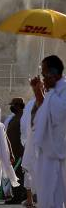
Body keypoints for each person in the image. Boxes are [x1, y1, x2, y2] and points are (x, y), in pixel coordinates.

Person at [30, 55, 66, 207]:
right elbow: (42, 116)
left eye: (44, 74)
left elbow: (59, 116)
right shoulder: (52, 93)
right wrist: (37, 91)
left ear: (54, 74)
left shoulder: (63, 90)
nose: (43, 78)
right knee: (47, 194)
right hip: (48, 153)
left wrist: (44, 93)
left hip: (60, 153)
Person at [5, 97, 27, 204]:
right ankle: (18, 195)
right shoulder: (15, 117)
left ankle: (19, 196)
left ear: (18, 105)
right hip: (13, 152)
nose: (11, 107)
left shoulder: (23, 117)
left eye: (12, 105)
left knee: (19, 175)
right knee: (16, 174)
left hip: (20, 151)